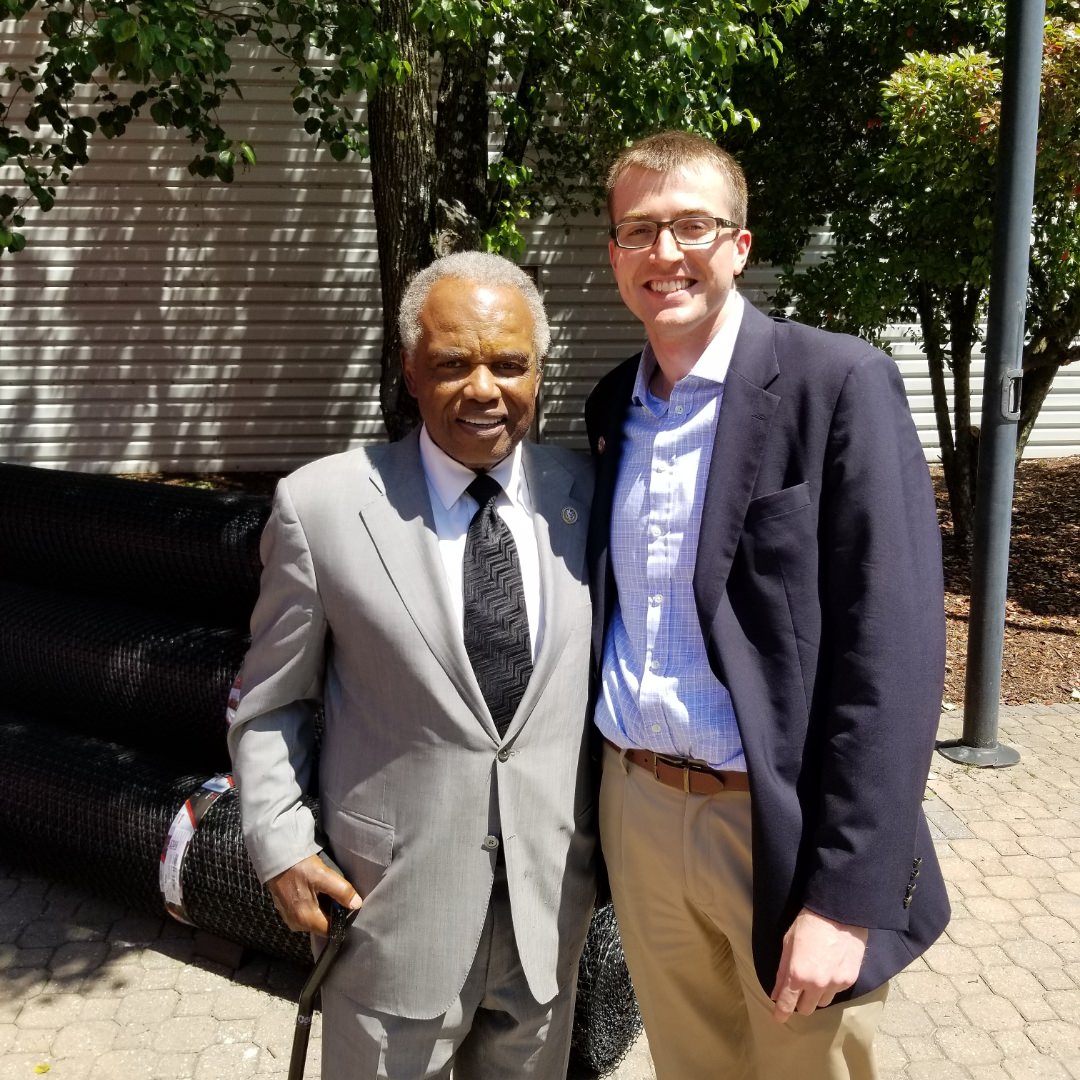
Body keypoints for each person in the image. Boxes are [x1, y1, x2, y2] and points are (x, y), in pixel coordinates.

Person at [586, 130, 950, 1079]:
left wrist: (846, 897)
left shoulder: (838, 384)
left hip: (775, 829)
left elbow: (894, 656)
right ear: (614, 254)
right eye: (639, 231)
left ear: (740, 245)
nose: (665, 253)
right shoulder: (608, 407)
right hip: (638, 811)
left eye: (692, 225)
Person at [227, 251, 597, 1079]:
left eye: (509, 364)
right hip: (391, 917)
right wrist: (279, 842)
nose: (484, 389)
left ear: (540, 366)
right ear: (409, 369)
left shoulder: (591, 496)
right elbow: (268, 701)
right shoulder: (321, 505)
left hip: (547, 921)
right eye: (453, 363)